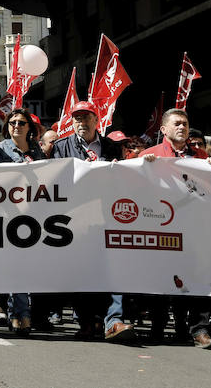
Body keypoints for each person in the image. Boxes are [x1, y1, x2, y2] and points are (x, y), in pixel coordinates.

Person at [51, 101, 132, 342]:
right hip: (77, 219)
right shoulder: (61, 147)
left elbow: (122, 182)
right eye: (77, 118)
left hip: (108, 216)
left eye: (86, 118)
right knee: (82, 270)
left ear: (97, 121)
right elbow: (56, 180)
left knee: (113, 268)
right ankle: (87, 321)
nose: (81, 122)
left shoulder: (111, 147)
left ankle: (113, 320)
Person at [140, 108, 211, 349]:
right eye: (176, 123)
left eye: (185, 124)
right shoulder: (149, 155)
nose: (182, 127)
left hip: (193, 229)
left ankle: (200, 330)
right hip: (161, 226)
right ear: (163, 129)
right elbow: (132, 187)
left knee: (198, 277)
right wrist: (143, 167)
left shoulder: (201, 156)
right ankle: (157, 327)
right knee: (161, 278)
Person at [0, 108, 45, 335]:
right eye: (12, 123)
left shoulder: (37, 151)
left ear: (29, 128)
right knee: (17, 265)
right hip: (9, 215)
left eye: (21, 123)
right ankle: (20, 314)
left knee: (28, 267)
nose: (16, 126)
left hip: (34, 215)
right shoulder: (0, 150)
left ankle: (21, 312)